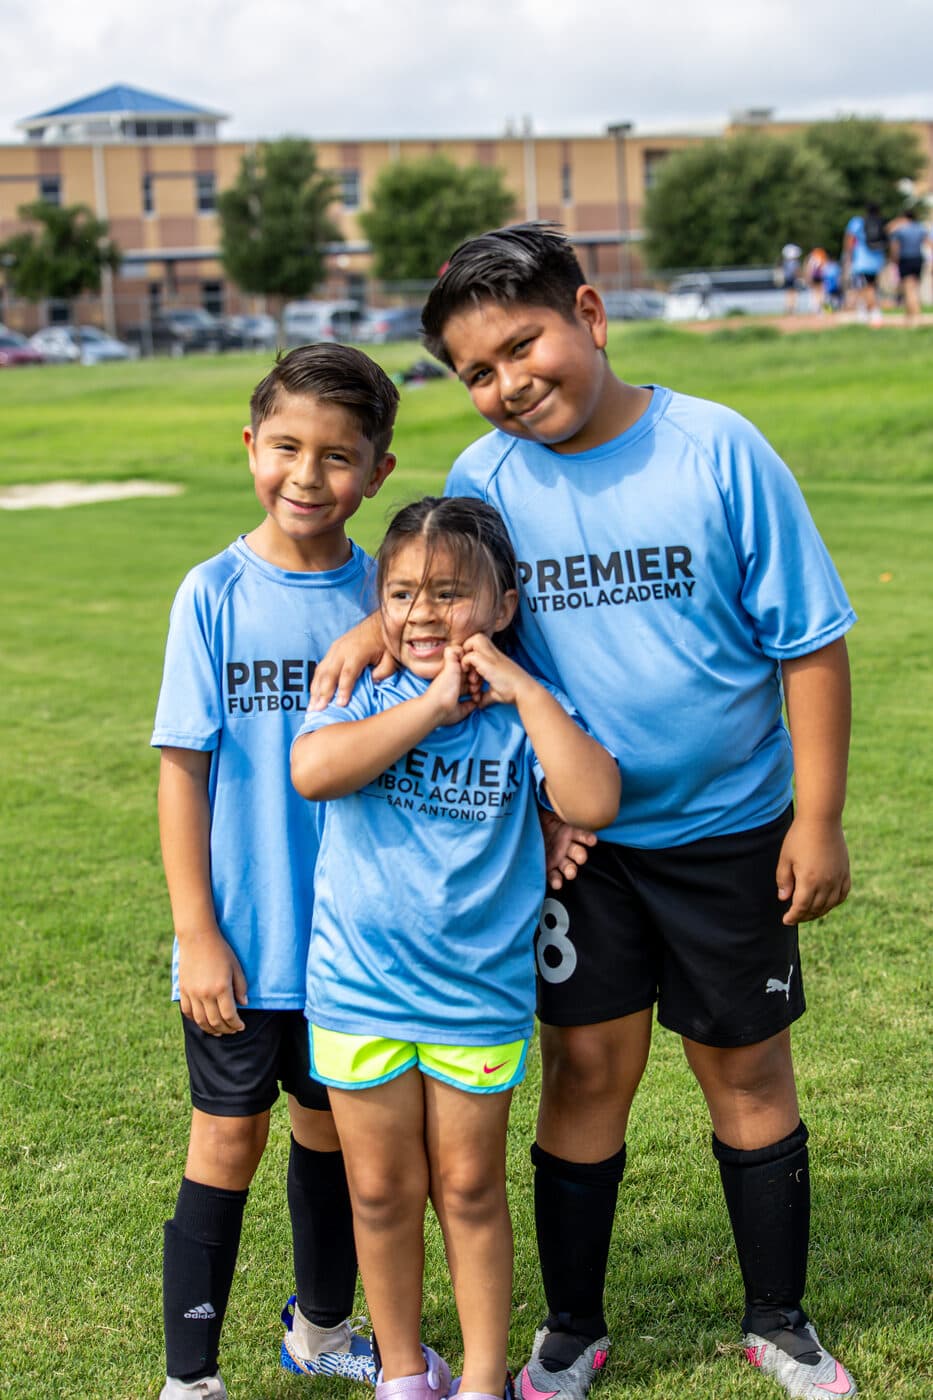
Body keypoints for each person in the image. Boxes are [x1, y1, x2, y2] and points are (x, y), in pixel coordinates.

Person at [311, 224, 859, 1400]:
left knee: (746, 1064)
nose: (509, 382)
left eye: (525, 345)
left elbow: (811, 643)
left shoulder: (717, 450)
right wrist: (369, 626)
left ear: (592, 316)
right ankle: (569, 1327)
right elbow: (444, 583)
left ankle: (780, 1318)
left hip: (731, 829)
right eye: (477, 370)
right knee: (586, 1068)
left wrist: (816, 819)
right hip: (581, 848)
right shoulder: (486, 477)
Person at [291, 497, 620, 1400]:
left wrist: (525, 694)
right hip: (358, 992)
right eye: (401, 593)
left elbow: (593, 800)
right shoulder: (363, 691)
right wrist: (431, 707)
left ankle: (478, 1379)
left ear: (503, 606)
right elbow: (313, 771)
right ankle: (402, 1372)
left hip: (475, 998)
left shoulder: (521, 712)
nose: (423, 614)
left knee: (470, 1189)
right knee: (379, 1192)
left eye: (449, 593)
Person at [151, 344, 398, 1399]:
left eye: (338, 456)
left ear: (378, 472)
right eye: (288, 447)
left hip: (355, 942)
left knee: (334, 1136)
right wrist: (198, 934)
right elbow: (182, 772)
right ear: (251, 445)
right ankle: (191, 1377)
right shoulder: (212, 592)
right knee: (226, 1142)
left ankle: (323, 1329)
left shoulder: (390, 599)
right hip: (244, 946)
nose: (307, 474)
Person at [843, 202, 888, 325]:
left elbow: (849, 240)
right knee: (871, 286)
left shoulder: (857, 222)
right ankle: (864, 311)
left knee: (866, 287)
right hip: (877, 260)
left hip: (862, 261)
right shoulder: (881, 222)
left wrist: (848, 256)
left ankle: (875, 313)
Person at [888, 204, 931, 327]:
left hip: (905, 259)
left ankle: (915, 315)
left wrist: (894, 259)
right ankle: (911, 314)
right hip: (918, 259)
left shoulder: (900, 230)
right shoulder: (920, 228)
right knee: (915, 286)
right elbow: (929, 243)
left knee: (908, 287)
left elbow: (894, 245)